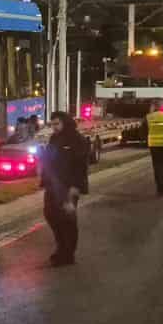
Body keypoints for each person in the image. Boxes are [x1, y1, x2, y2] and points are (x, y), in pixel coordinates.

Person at [39, 110, 91, 266]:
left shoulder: (77, 140)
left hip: (68, 187)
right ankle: (61, 247)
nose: (54, 127)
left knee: (67, 221)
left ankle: (68, 254)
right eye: (52, 124)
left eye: (57, 124)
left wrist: (76, 187)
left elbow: (81, 166)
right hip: (52, 185)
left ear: (65, 123)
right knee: (50, 215)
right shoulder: (54, 139)